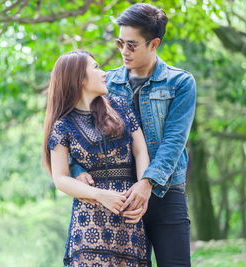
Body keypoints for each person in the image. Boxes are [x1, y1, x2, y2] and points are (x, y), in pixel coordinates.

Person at [70, 3, 196, 267]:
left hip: (165, 191)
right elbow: (76, 128)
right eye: (120, 43)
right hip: (118, 197)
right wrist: (77, 167)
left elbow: (174, 141)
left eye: (132, 45)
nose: (123, 52)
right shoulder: (106, 83)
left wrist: (146, 183)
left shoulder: (181, 83)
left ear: (154, 44)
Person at [43, 50, 151, 266]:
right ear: (79, 78)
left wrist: (142, 189)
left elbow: (140, 151)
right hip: (89, 224)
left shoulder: (120, 107)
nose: (103, 74)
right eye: (95, 68)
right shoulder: (62, 126)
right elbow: (61, 179)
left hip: (129, 217)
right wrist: (100, 195)